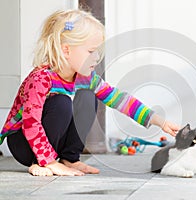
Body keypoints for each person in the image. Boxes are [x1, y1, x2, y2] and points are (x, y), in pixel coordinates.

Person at [0, 9, 180, 176]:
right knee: (61, 103)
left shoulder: (87, 79)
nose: (96, 58)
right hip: (23, 142)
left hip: (48, 140)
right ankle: (41, 162)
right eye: (91, 51)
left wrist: (159, 121)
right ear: (66, 50)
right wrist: (47, 160)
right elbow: (31, 122)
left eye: (98, 52)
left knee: (87, 96)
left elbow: (119, 100)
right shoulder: (41, 78)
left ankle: (69, 158)